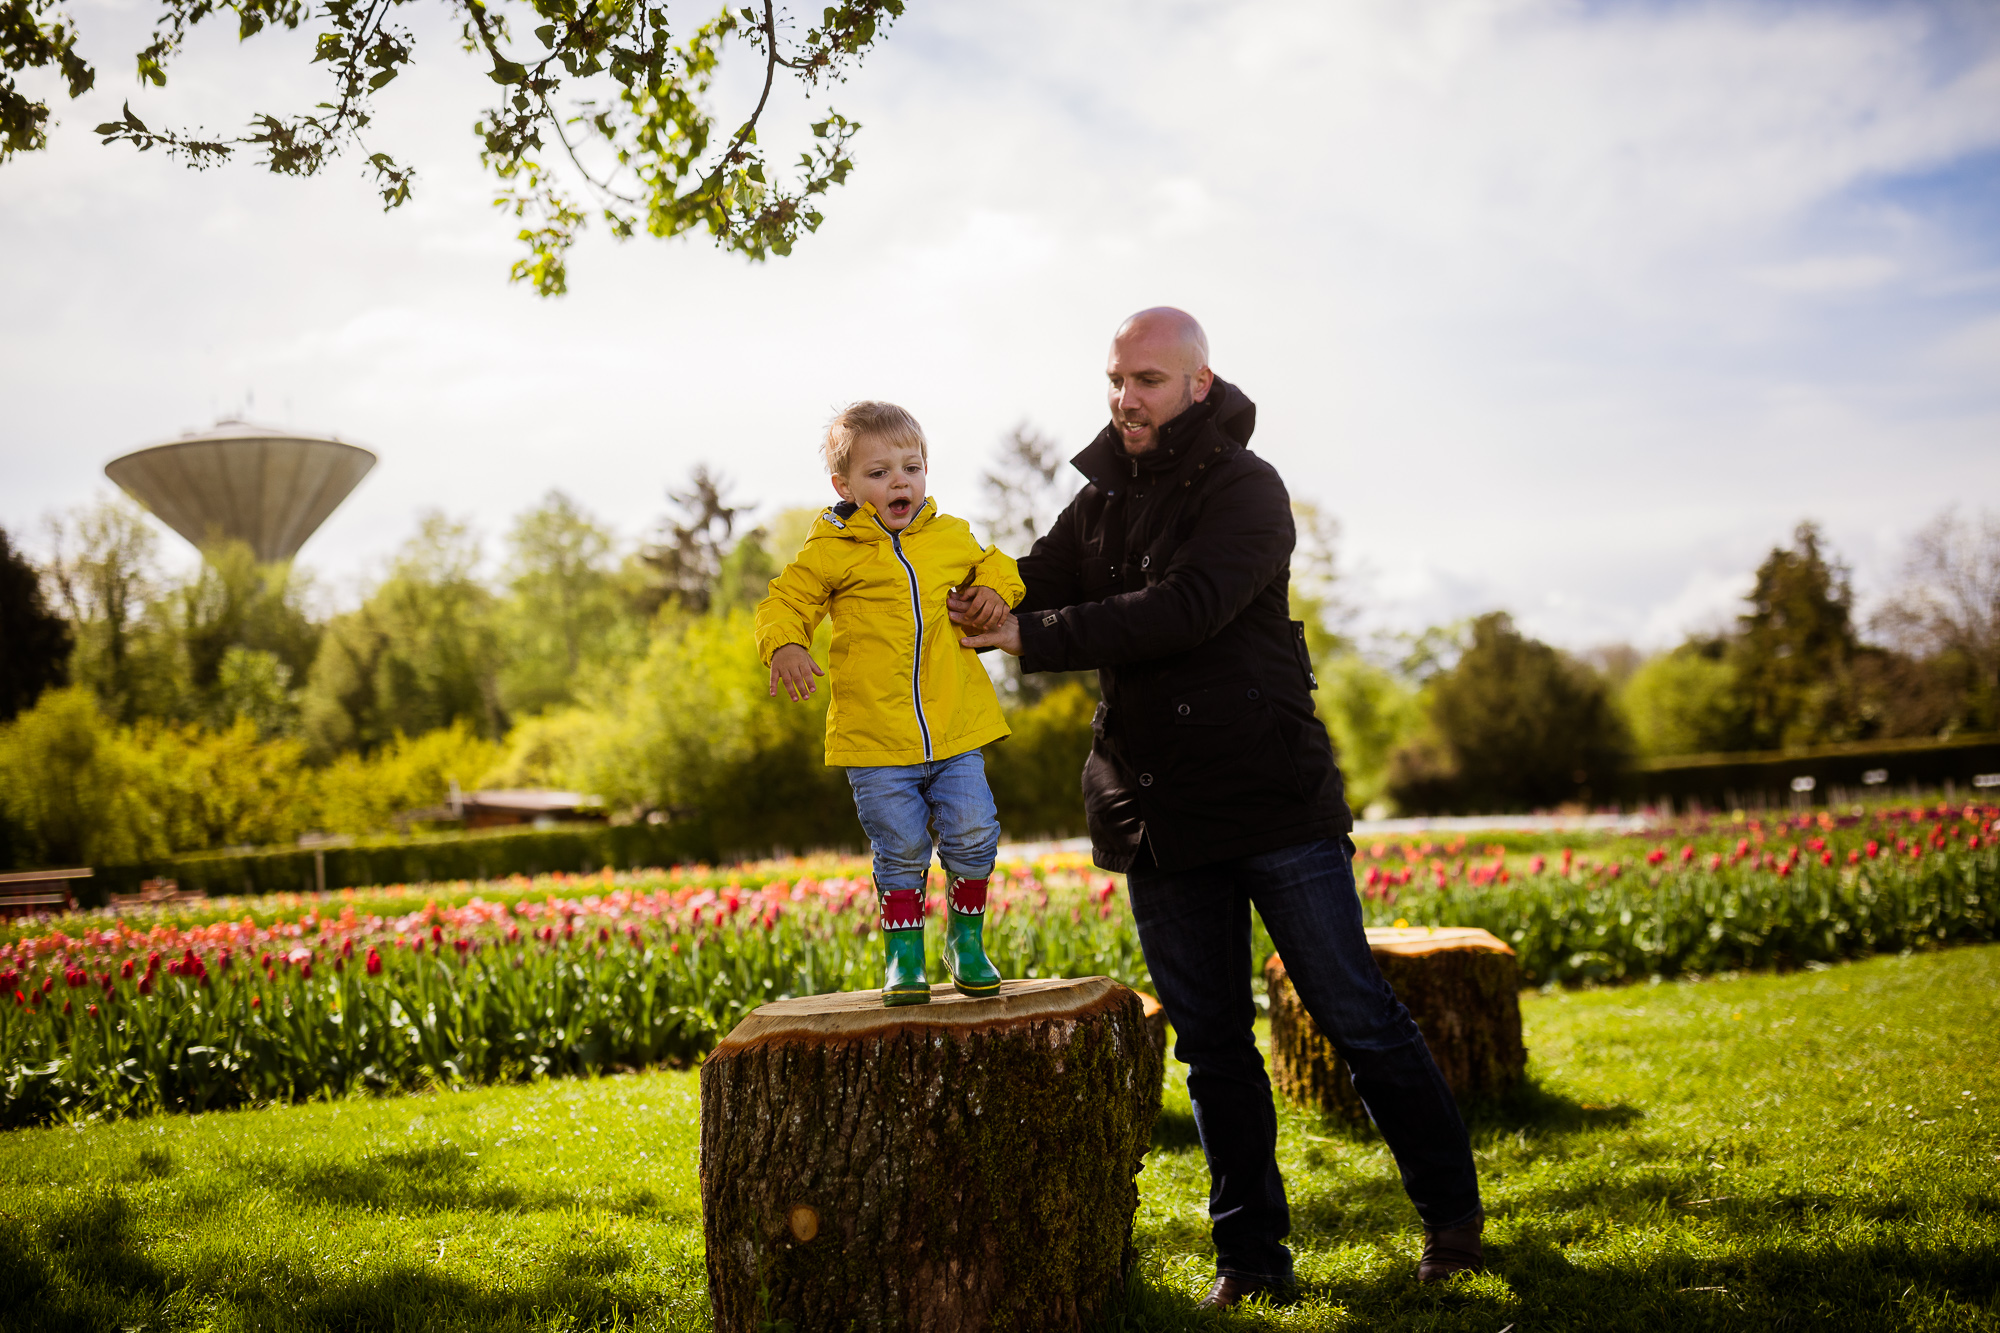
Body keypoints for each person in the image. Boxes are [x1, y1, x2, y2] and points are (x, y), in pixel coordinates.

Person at [954, 309, 1485, 1302]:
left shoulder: (1247, 488)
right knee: (1210, 1049)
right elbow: (1031, 577)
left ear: (1199, 384)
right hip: (1155, 813)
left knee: (1355, 1015)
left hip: (1268, 797)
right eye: (1114, 380)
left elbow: (1183, 610)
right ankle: (1250, 1262)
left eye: (1146, 380)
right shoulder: (1099, 500)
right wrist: (964, 587)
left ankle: (1451, 1223)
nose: (1123, 398)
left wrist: (1030, 634)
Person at [758, 400, 1025, 1006]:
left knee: (974, 831)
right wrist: (786, 646)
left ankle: (967, 943)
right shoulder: (832, 549)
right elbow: (783, 602)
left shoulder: (949, 535)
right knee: (900, 847)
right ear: (844, 486)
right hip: (874, 741)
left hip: (956, 728)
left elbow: (999, 565)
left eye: (912, 466)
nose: (899, 481)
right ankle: (904, 958)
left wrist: (992, 590)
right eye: (878, 473)